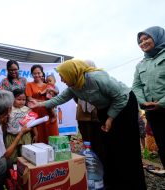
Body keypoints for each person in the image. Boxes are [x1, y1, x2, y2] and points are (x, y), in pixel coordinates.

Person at [28, 60, 146, 189]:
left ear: (71, 73)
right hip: (105, 108)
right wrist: (39, 104)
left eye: (63, 76)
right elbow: (59, 99)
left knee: (125, 145)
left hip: (124, 105)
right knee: (108, 145)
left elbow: (121, 97)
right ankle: (113, 181)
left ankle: (133, 183)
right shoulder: (74, 86)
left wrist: (110, 118)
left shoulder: (96, 78)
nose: (61, 80)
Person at [132, 26, 165, 169]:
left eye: (147, 38)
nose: (143, 43)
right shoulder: (140, 65)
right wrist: (143, 102)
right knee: (163, 147)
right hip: (153, 113)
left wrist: (162, 103)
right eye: (140, 41)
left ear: (157, 37)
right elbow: (136, 86)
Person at [25, 65, 59, 144]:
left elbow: (54, 96)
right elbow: (30, 99)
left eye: (38, 73)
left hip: (49, 113)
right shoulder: (29, 85)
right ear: (32, 74)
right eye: (34, 73)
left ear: (42, 73)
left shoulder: (47, 85)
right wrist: (44, 102)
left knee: (52, 136)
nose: (37, 75)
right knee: (39, 137)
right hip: (36, 115)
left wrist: (44, 101)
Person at [5, 89, 38, 163]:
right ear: (12, 99)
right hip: (12, 136)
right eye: (19, 99)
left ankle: (25, 172)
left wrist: (36, 134)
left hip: (25, 136)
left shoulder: (28, 109)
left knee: (26, 156)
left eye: (24, 99)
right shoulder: (9, 109)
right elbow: (4, 123)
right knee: (12, 158)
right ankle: (13, 171)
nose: (22, 101)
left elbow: (32, 122)